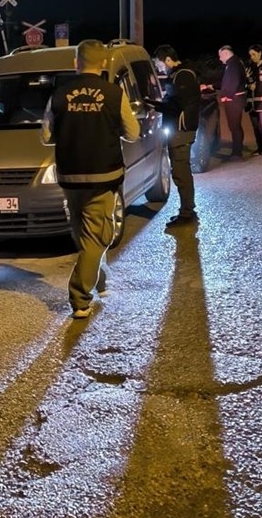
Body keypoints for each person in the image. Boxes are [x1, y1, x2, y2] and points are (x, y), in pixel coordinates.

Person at [41, 39, 140, 318]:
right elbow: (132, 133)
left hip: (70, 177)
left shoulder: (59, 95)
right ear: (104, 63)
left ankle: (101, 281)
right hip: (103, 176)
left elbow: (46, 136)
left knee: (84, 235)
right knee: (99, 236)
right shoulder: (113, 93)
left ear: (77, 63)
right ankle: (79, 297)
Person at [146, 45, 201, 228]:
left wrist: (155, 105)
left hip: (181, 131)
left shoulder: (182, 76)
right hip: (180, 129)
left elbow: (176, 105)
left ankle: (187, 213)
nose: (160, 68)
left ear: (168, 60)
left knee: (180, 172)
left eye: (159, 64)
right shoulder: (180, 75)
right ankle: (187, 210)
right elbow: (175, 103)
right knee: (180, 171)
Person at [217, 45, 249, 160]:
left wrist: (227, 96)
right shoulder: (234, 63)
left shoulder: (233, 64)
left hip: (234, 99)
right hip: (235, 98)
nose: (220, 59)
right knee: (235, 126)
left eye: (220, 56)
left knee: (234, 126)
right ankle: (236, 151)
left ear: (225, 53)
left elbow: (234, 81)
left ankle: (237, 153)